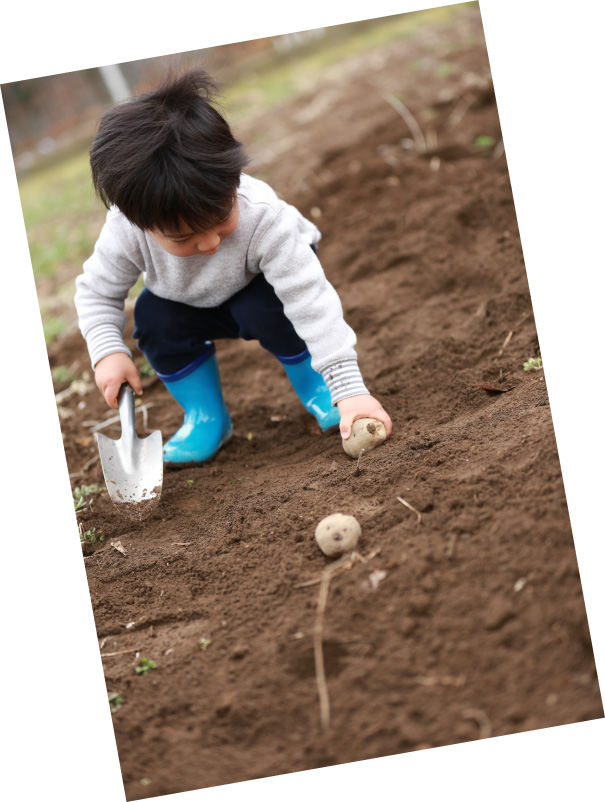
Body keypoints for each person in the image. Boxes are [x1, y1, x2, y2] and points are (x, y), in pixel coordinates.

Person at [74, 66, 392, 466]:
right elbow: (96, 292)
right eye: (183, 237)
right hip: (186, 299)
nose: (208, 243)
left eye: (221, 217)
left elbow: (311, 301)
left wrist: (350, 388)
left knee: (268, 308)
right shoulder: (125, 231)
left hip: (264, 286)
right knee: (154, 320)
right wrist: (107, 352)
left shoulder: (264, 217)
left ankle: (320, 389)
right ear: (140, 222)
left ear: (233, 177)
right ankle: (207, 417)